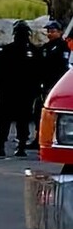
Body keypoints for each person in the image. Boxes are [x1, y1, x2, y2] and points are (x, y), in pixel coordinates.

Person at [0, 20, 41, 157]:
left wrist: (0, 89)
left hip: (9, 92)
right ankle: (21, 147)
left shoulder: (8, 50)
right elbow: (40, 73)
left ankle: (0, 147)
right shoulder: (34, 52)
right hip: (26, 93)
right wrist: (35, 91)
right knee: (23, 120)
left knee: (4, 120)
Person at [28, 20, 70, 149]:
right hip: (43, 84)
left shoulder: (63, 47)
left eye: (53, 31)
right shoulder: (46, 47)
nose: (50, 34)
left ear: (60, 32)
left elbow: (63, 67)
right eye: (49, 31)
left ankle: (51, 138)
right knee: (38, 112)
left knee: (52, 114)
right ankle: (38, 137)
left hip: (55, 84)